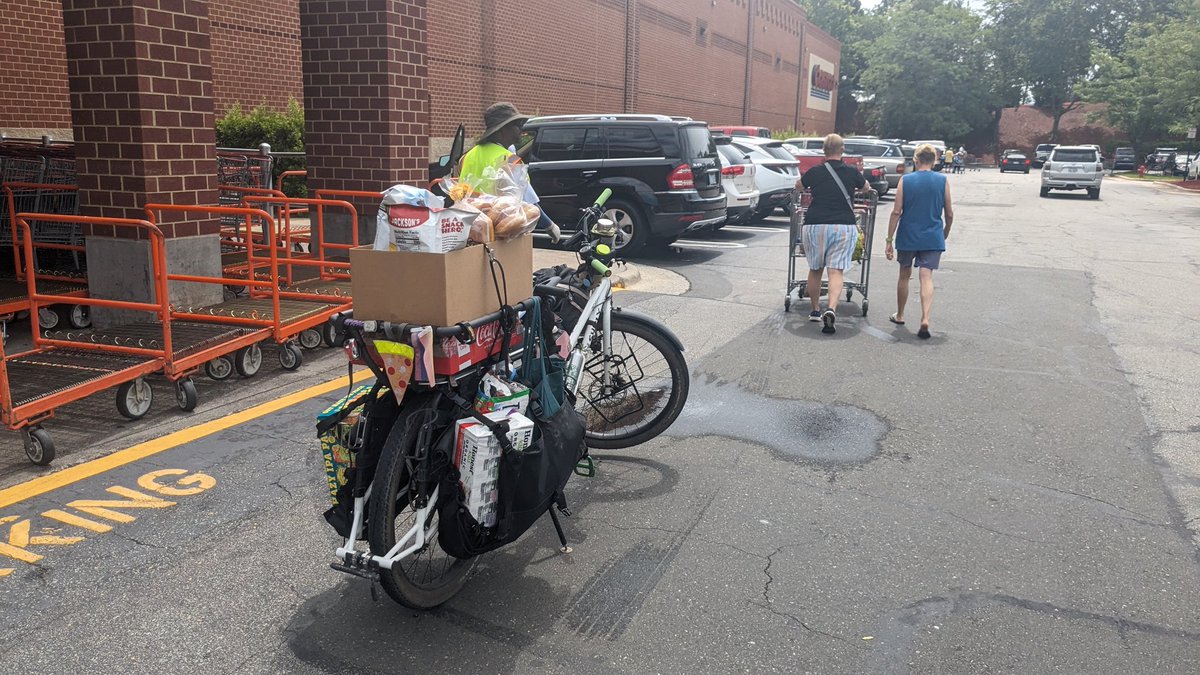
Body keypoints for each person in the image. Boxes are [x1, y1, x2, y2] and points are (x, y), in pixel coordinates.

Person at [795, 133, 868, 335]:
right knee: (835, 270)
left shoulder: (815, 171)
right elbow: (865, 187)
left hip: (815, 224)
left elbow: (798, 186)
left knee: (816, 268)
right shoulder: (851, 172)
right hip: (842, 225)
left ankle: (815, 310)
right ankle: (832, 308)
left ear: (824, 151)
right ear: (842, 150)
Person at [458, 102, 560, 240]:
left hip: (471, 229)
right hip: (500, 231)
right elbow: (528, 201)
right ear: (502, 130)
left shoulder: (469, 155)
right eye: (517, 126)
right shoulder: (509, 159)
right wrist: (550, 226)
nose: (521, 130)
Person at [884, 143, 954, 339]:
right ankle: (925, 318)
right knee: (926, 276)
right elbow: (949, 213)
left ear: (916, 160)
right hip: (932, 235)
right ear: (934, 161)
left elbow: (896, 212)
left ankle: (900, 314)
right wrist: (945, 232)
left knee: (904, 274)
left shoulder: (906, 180)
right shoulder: (942, 181)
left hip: (908, 235)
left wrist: (889, 239)